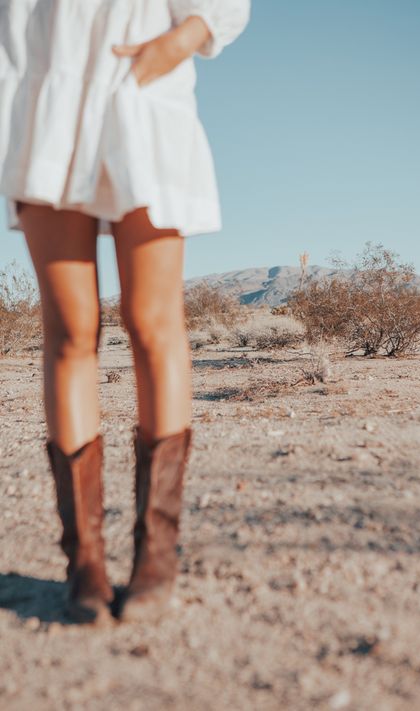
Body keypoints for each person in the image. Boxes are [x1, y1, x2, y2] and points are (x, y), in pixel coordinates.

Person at [0, 0, 251, 625]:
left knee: (152, 321)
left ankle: (155, 553)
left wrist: (183, 39)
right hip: (43, 103)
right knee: (68, 329)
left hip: (143, 97)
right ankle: (83, 559)